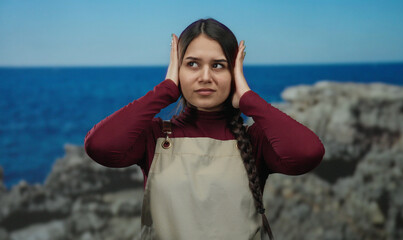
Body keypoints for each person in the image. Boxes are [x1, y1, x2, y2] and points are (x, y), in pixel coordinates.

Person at [84, 18, 325, 240]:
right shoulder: (155, 136)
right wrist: (166, 89)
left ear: (234, 72)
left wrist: (248, 98)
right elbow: (99, 146)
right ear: (178, 69)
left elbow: (308, 153)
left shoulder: (255, 140)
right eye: (192, 64)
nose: (205, 76)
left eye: (218, 66)